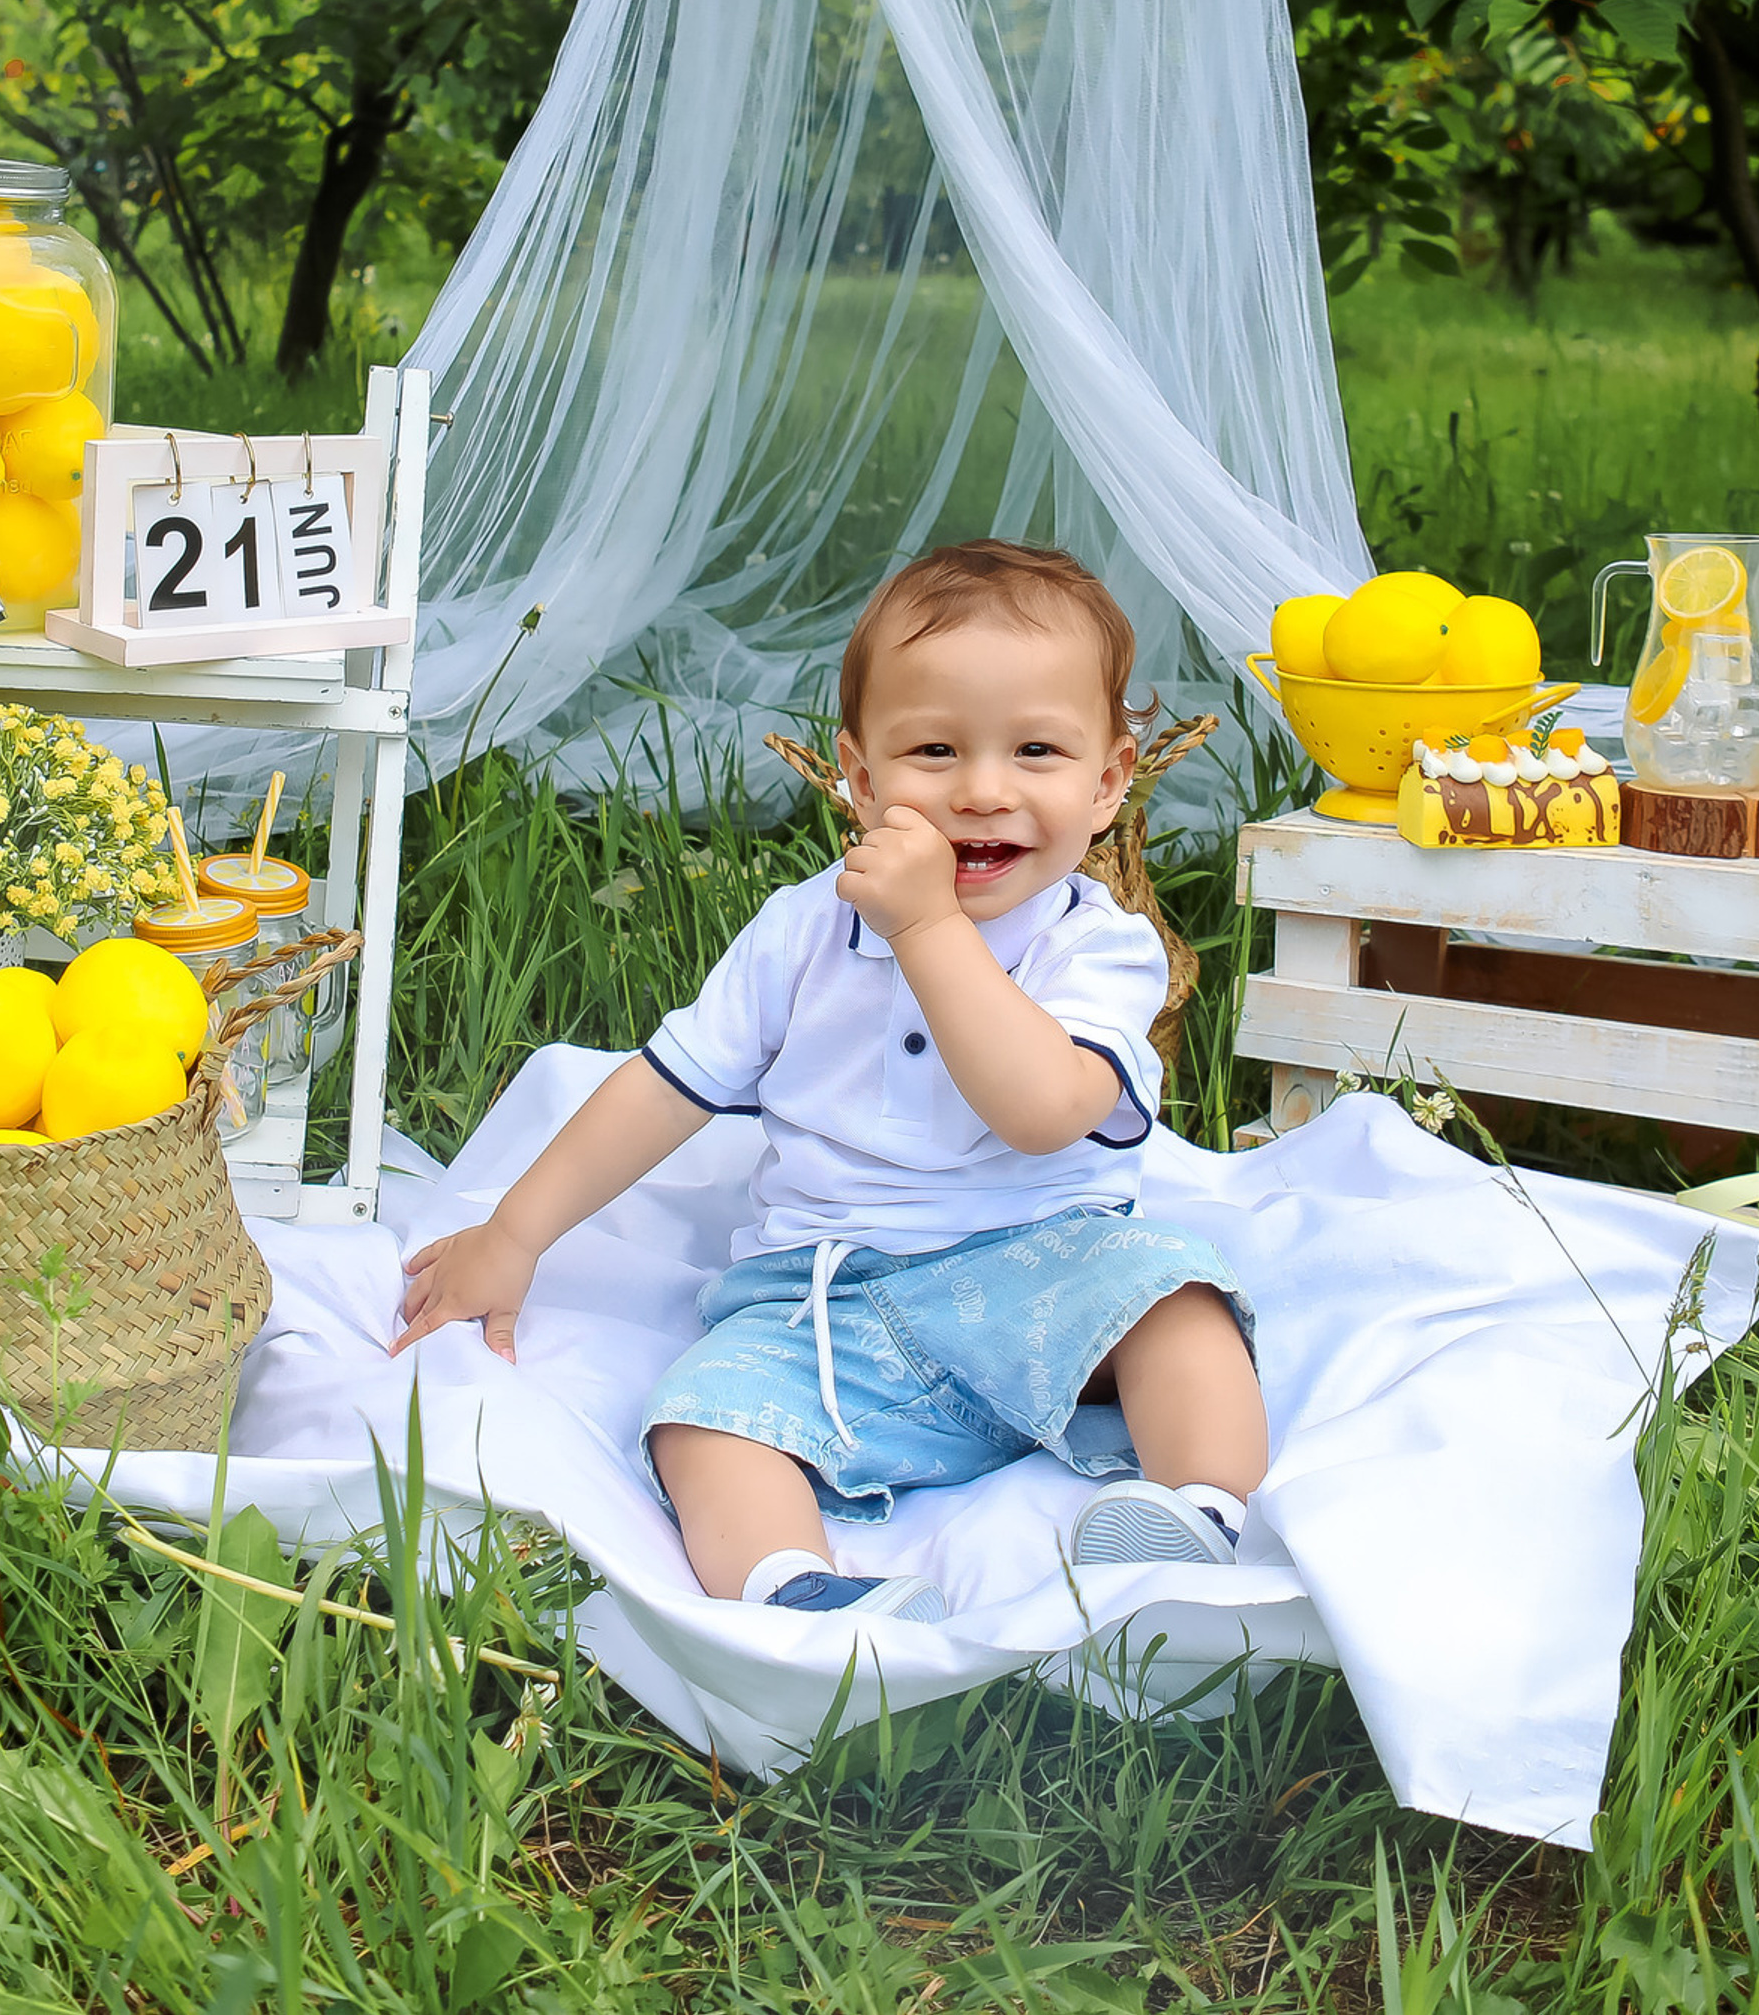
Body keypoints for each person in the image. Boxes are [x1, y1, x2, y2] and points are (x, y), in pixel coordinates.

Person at [394, 540, 1268, 1620]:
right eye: (935, 750)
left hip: (1044, 1272)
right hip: (824, 1296)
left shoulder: (1100, 946)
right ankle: (796, 1588)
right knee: (698, 1419)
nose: (982, 791)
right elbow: (665, 1086)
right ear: (859, 779)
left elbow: (1044, 1113)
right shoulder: (802, 931)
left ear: (1108, 782)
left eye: (1036, 751)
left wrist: (928, 927)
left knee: (1177, 1297)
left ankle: (1193, 1513)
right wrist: (514, 1234)